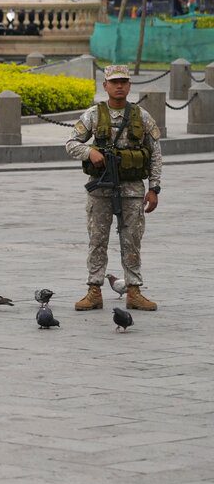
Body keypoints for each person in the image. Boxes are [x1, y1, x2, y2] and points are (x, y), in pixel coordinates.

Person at [65, 65, 162, 312]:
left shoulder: (141, 116)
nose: (119, 86)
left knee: (132, 240)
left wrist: (154, 188)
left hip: (132, 189)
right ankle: (94, 289)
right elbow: (71, 143)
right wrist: (90, 151)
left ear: (129, 86)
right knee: (97, 239)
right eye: (114, 82)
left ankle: (134, 290)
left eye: (124, 82)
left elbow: (155, 153)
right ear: (105, 86)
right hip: (101, 189)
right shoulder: (93, 115)